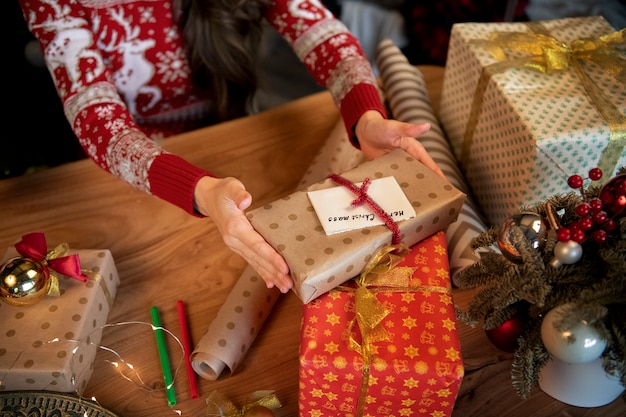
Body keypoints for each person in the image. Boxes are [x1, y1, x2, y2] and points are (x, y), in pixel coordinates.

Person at [18, 0, 444, 294]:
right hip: (132, 174)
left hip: (227, 141)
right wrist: (201, 190)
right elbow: (96, 118)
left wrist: (366, 116)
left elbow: (319, 30)